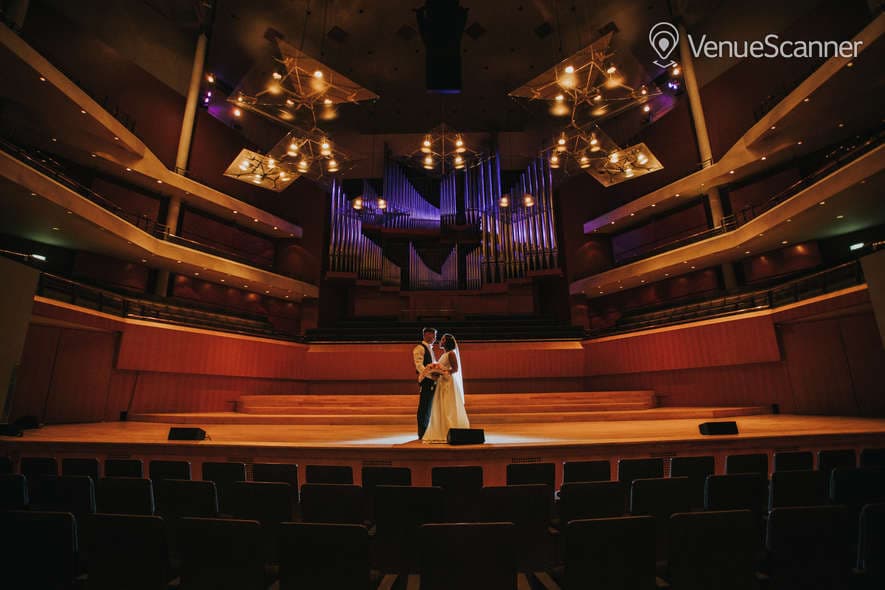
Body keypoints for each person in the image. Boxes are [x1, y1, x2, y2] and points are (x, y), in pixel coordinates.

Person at [421, 333, 470, 443]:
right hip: (441, 382)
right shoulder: (444, 355)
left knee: (448, 407)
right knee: (441, 406)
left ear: (447, 342)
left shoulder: (451, 354)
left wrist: (443, 372)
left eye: (443, 339)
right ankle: (441, 430)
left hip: (448, 383)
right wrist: (436, 371)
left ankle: (450, 430)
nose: (440, 341)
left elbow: (455, 369)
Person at [412, 327, 439, 439]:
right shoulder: (419, 348)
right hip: (426, 381)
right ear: (427, 335)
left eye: (435, 336)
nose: (435, 338)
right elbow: (419, 365)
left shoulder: (430, 349)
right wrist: (430, 375)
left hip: (432, 380)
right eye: (433, 335)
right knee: (424, 407)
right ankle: (422, 432)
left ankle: (427, 430)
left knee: (428, 407)